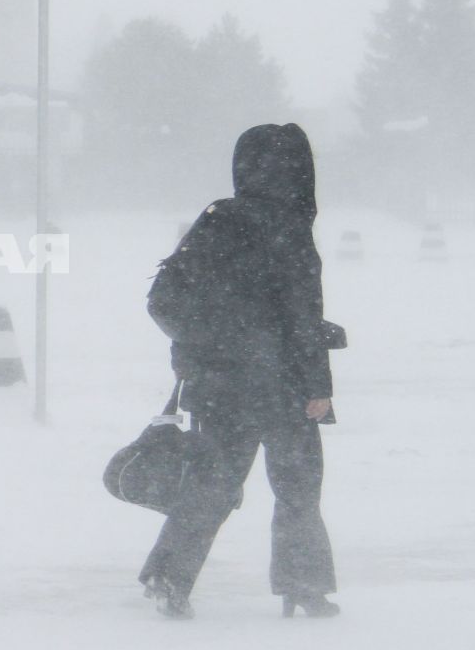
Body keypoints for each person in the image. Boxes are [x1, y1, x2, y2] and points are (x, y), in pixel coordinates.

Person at [138, 122, 343, 620]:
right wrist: (318, 387)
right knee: (297, 487)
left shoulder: (219, 219)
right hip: (286, 387)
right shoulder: (290, 228)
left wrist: (209, 345)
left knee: (214, 484)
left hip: (222, 385)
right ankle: (304, 585)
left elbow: (165, 299)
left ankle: (168, 577)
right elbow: (300, 317)